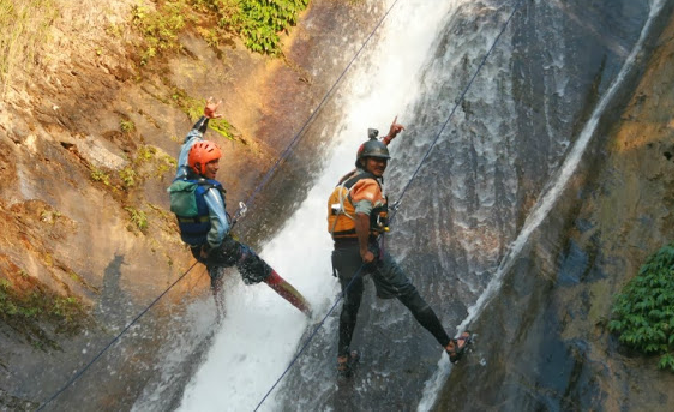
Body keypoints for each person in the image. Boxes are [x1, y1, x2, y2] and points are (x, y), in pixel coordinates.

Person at [327, 117, 468, 374]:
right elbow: (361, 214)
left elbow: (365, 161)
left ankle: (343, 360)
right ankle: (450, 346)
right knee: (410, 295)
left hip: (341, 254)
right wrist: (364, 250)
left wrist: (388, 138)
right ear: (364, 162)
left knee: (350, 305)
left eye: (383, 161)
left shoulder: (346, 180)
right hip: (364, 252)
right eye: (375, 161)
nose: (380, 164)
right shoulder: (368, 185)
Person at [168, 98, 312, 321]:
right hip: (221, 248)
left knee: (215, 273)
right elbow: (221, 226)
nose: (216, 167)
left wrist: (205, 117)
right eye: (211, 164)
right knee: (264, 271)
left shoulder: (182, 176)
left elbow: (191, 139)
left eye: (216, 161)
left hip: (198, 249)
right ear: (200, 165)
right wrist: (213, 244)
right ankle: (306, 308)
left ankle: (221, 317)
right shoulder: (209, 191)